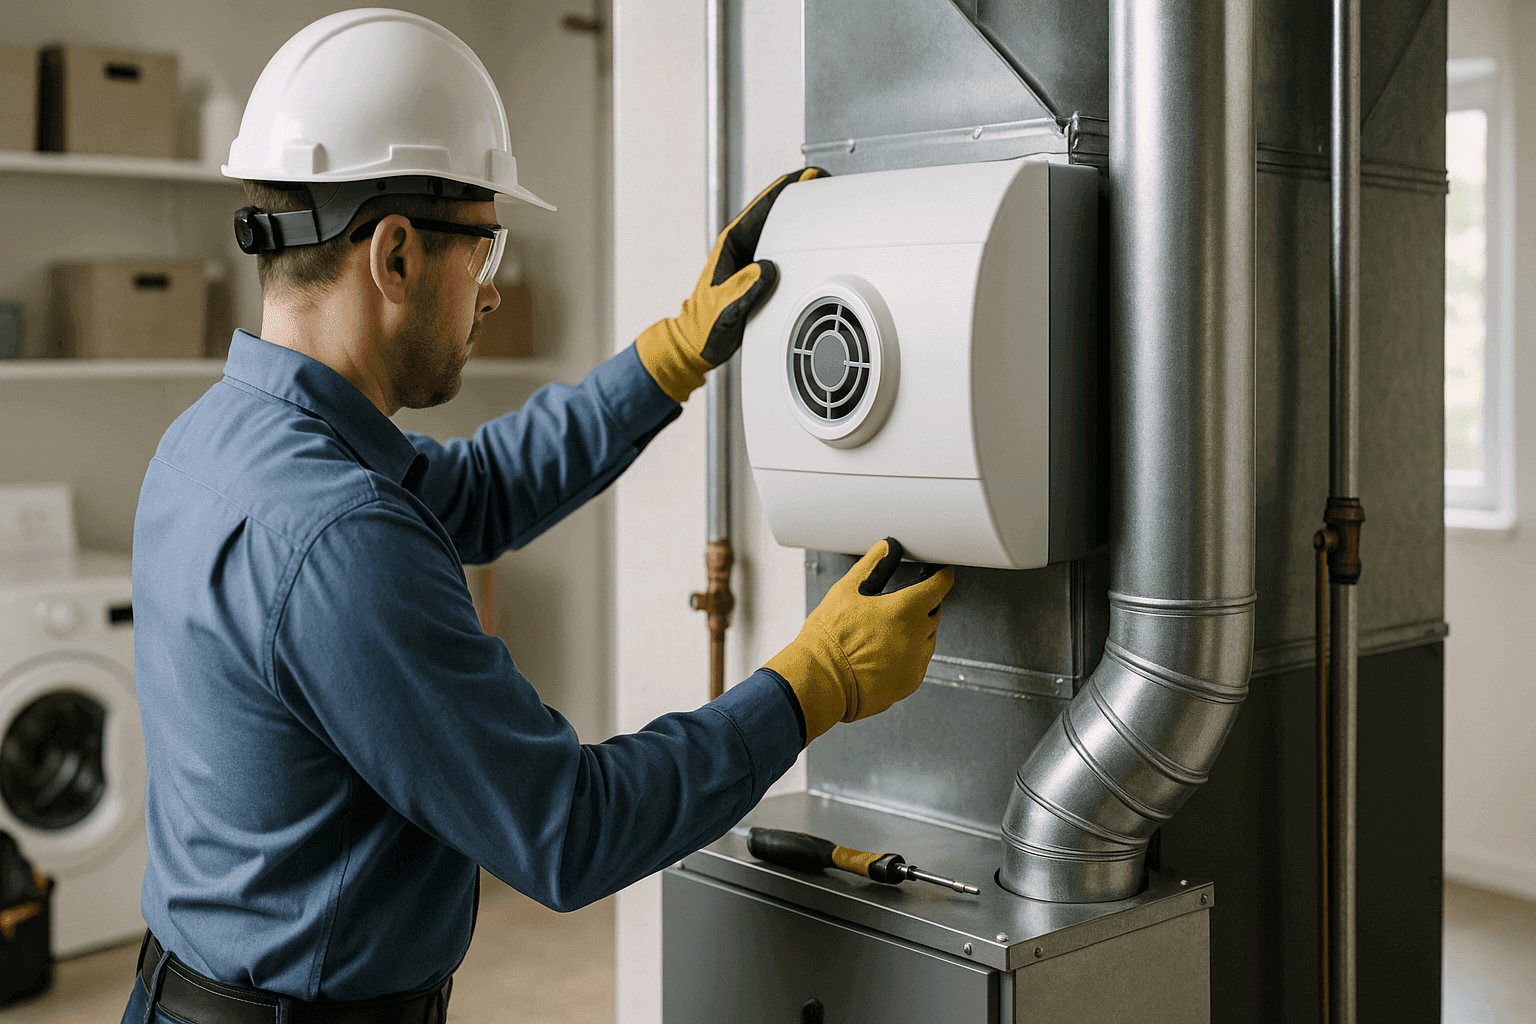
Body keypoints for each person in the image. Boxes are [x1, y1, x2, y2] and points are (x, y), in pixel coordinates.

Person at [121, 10, 953, 1024]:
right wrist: (811, 686)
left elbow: (473, 491)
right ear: (394, 257)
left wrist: (671, 355)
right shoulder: (340, 536)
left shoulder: (217, 441)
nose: (492, 292)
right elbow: (569, 829)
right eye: (484, 247)